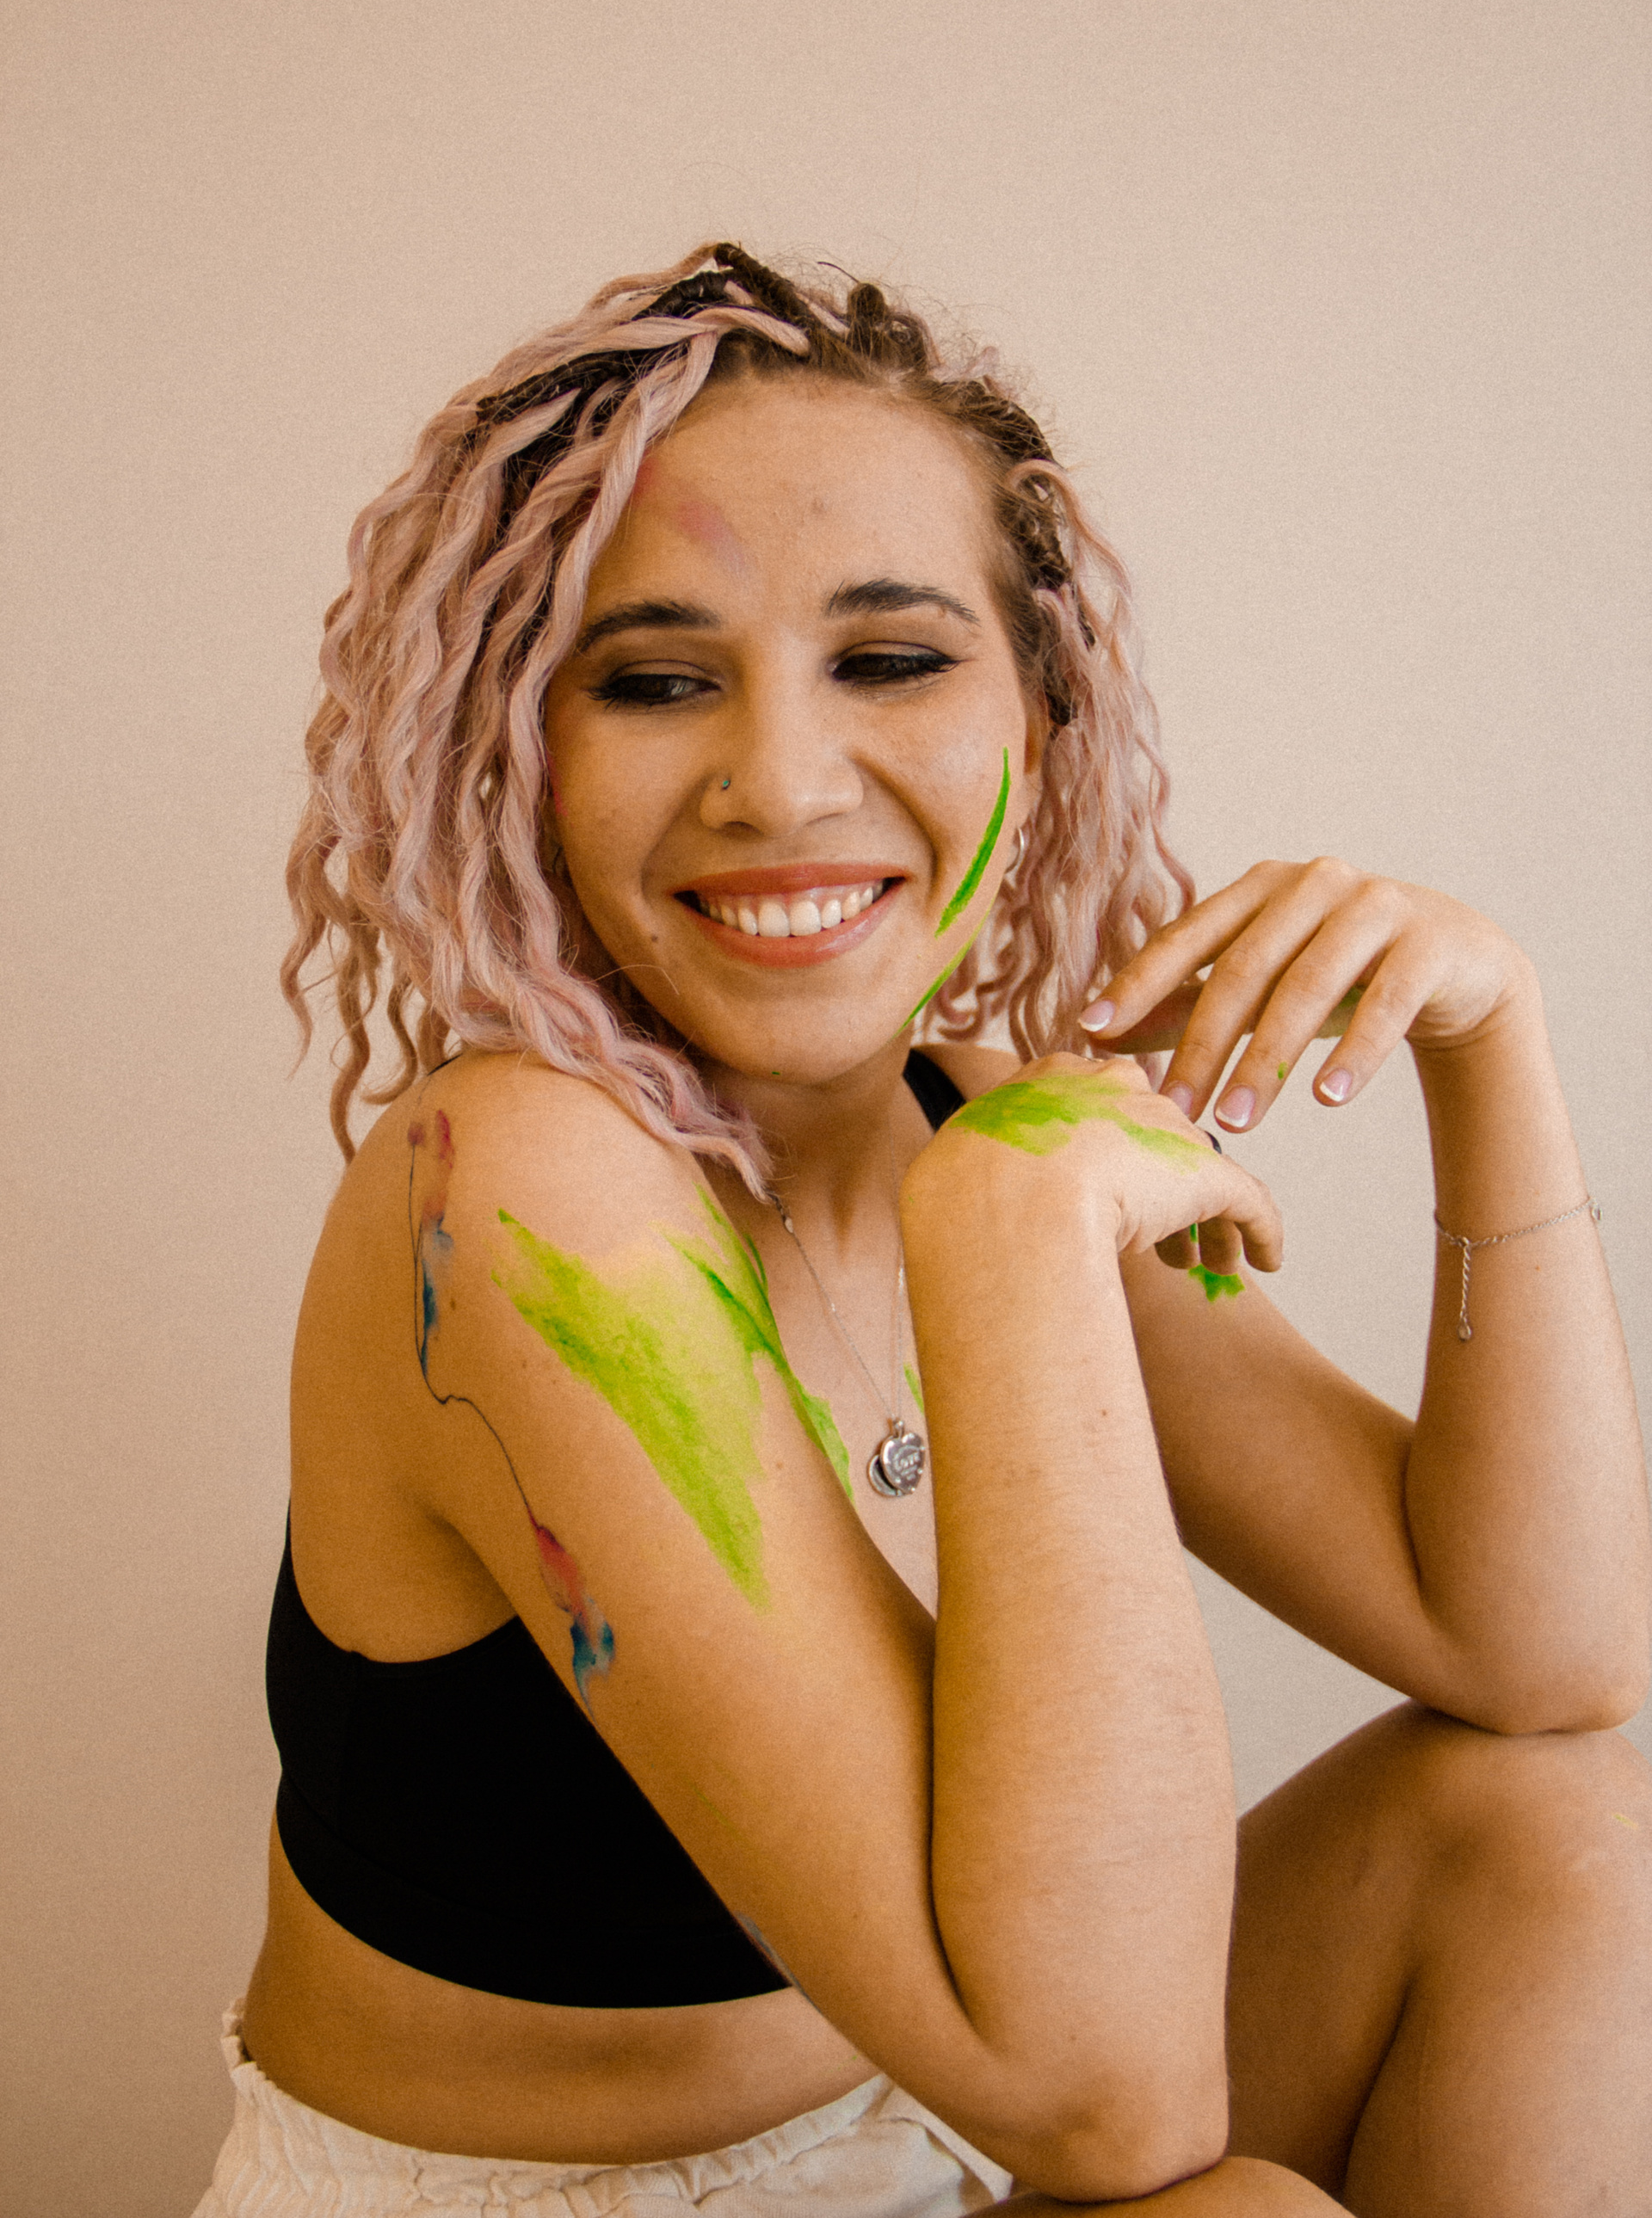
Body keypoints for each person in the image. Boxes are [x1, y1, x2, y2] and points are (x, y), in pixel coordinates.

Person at [196, 245, 1651, 2218]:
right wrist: (1011, 1247)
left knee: (1547, 1831)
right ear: (517, 752)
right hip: (533, 2199)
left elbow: (1541, 1654)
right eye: (653, 681)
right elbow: (1113, 2109)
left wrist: (1492, 1045)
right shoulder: (521, 1187)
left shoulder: (975, 1119)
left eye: (889, 661)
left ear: (1040, 718)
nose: (784, 783)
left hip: (926, 2140)